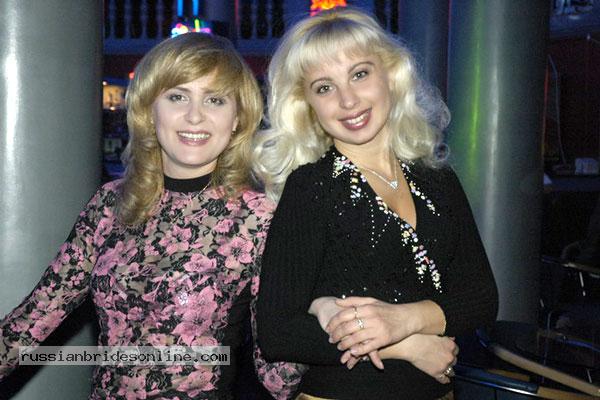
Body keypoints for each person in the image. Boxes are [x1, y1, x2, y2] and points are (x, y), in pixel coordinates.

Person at [0, 32, 303, 399]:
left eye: (215, 100)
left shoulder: (260, 219)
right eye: (177, 96)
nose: (195, 115)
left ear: (237, 118)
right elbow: (33, 319)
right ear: (149, 109)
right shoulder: (110, 203)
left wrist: (325, 309)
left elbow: (278, 378)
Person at [254, 8, 498, 400]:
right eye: (324, 87)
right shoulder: (311, 187)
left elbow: (482, 298)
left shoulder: (438, 178)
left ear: (390, 74)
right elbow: (278, 332)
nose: (347, 100)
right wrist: (402, 345)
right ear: (307, 104)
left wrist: (404, 320)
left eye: (360, 74)